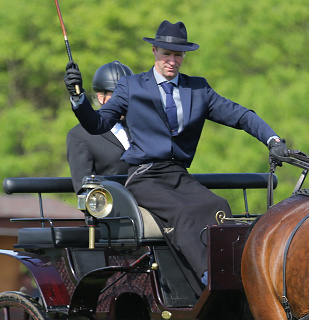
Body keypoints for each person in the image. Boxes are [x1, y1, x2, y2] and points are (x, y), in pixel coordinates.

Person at [64, 20, 290, 289]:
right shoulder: (131, 87)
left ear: (184, 56)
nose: (172, 61)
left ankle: (235, 275)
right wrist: (78, 99)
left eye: (178, 55)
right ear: (155, 52)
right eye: (166, 54)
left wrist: (272, 139)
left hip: (178, 174)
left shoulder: (198, 89)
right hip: (144, 176)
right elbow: (97, 124)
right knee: (184, 214)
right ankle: (209, 279)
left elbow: (240, 115)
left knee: (219, 206)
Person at [66, 60, 134, 193]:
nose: (124, 101)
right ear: (101, 97)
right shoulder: (79, 135)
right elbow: (84, 188)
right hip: (112, 210)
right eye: (117, 96)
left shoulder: (140, 127)